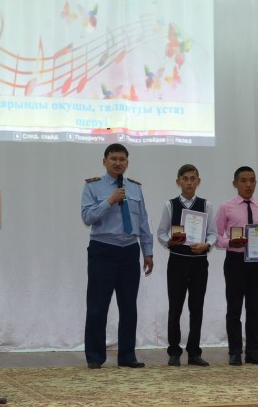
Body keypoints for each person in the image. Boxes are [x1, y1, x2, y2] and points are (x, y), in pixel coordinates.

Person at [81, 143, 154, 369]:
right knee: (97, 306)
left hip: (129, 251)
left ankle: (127, 356)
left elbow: (143, 221)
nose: (118, 163)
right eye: (113, 158)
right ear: (104, 161)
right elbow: (87, 217)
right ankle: (95, 357)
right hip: (103, 249)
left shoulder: (135, 188)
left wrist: (148, 251)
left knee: (128, 306)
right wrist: (110, 200)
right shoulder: (93, 186)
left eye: (122, 159)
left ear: (127, 163)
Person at [156, 164, 217, 367]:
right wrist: (169, 242)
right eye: (185, 179)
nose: (189, 182)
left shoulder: (206, 205)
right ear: (178, 182)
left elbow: (213, 233)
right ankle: (174, 351)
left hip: (199, 263)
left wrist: (207, 245)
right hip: (177, 261)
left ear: (198, 181)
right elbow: (161, 232)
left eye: (192, 178)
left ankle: (194, 352)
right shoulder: (170, 205)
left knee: (196, 308)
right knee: (175, 307)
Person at [215, 166, 258, 366]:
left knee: (254, 309)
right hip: (235, 260)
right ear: (235, 183)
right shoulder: (226, 207)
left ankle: (252, 351)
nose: (249, 185)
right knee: (234, 308)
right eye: (244, 181)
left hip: (256, 262)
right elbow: (216, 236)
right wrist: (229, 242)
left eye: (252, 180)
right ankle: (234, 351)